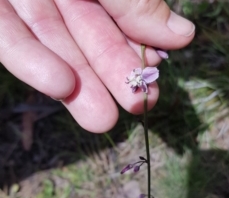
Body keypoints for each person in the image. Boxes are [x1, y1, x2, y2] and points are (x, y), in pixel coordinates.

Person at [0, 0, 195, 133]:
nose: (136, 80)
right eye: (137, 79)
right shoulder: (144, 76)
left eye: (137, 79)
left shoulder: (146, 74)